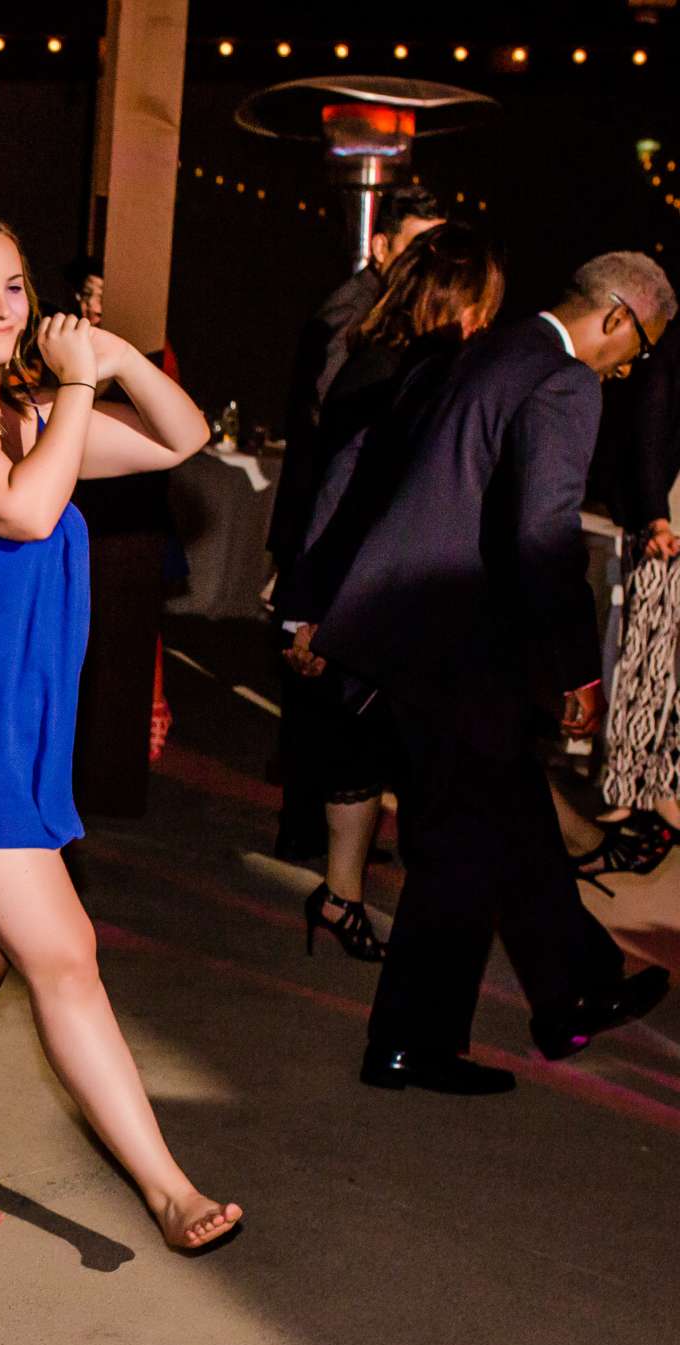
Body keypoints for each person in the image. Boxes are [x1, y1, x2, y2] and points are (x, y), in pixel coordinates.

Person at [0, 211, 240, 1252]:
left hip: (7, 734)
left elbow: (180, 437)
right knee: (65, 953)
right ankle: (167, 1190)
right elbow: (27, 514)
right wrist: (75, 390)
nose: (3, 307)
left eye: (15, 286)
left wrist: (109, 358)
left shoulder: (23, 416)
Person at [317, 253, 678, 1093]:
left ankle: (575, 989)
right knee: (459, 855)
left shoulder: (489, 348)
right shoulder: (564, 381)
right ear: (618, 317)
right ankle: (411, 1044)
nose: (630, 368)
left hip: (407, 628)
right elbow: (543, 537)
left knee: (509, 818)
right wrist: (577, 673)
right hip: (457, 644)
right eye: (641, 349)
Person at [273, 222, 506, 963]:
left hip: (370, 592)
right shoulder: (393, 370)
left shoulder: (392, 361)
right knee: (377, 754)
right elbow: (348, 492)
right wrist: (307, 612)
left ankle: (342, 897)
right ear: (453, 299)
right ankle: (352, 902)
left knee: (362, 752)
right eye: (484, 302)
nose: (490, 319)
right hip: (370, 595)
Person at [267, 186, 448, 859]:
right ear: (383, 247)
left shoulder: (391, 316)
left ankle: (331, 827)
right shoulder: (354, 315)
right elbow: (334, 440)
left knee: (336, 692)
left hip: (332, 528)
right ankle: (313, 829)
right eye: (421, 246)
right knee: (321, 686)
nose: (433, 261)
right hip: (326, 526)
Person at [578, 346, 680, 879]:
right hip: (667, 528)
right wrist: (656, 519)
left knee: (663, 670)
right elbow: (647, 432)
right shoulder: (671, 353)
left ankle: (657, 794)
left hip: (662, 522)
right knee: (647, 662)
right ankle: (635, 795)